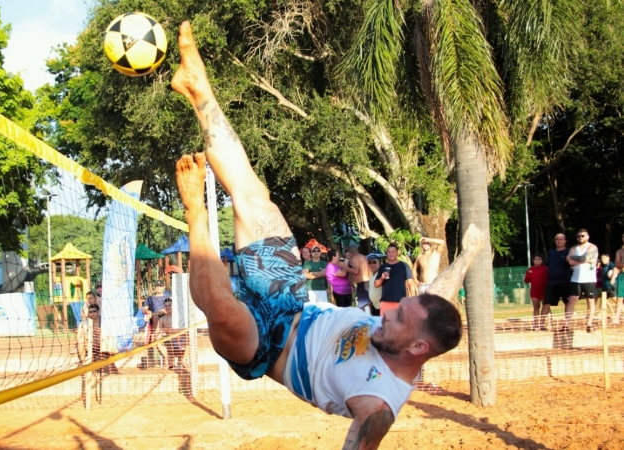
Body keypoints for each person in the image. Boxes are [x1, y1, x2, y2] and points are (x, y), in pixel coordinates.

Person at [170, 21, 484, 447]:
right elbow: (441, 298)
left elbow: (361, 439)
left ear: (417, 349)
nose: (384, 313)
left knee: (223, 312)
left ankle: (195, 213)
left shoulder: (377, 405)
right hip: (291, 299)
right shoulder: (419, 328)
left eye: (396, 318)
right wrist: (467, 255)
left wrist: (196, 209)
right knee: (253, 196)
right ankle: (197, 88)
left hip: (266, 348)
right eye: (394, 309)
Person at [567, 229, 598, 333]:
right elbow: (569, 260)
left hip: (589, 279)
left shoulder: (592, 247)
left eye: (582, 236)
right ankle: (567, 324)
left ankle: (589, 323)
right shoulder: (573, 248)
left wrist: (578, 259)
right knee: (572, 300)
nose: (580, 237)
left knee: (590, 300)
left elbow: (586, 257)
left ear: (587, 236)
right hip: (575, 279)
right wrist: (583, 260)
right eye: (578, 236)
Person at [374, 243, 413, 315]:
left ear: (397, 253)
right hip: (385, 302)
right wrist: (382, 277)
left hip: (400, 302)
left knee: (400, 325)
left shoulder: (404, 266)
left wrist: (412, 300)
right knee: (385, 324)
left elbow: (410, 284)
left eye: (393, 251)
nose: (391, 254)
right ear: (386, 253)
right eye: (389, 252)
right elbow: (376, 284)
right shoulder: (383, 267)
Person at [542, 234, 571, 331]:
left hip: (564, 281)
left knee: (567, 302)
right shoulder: (551, 252)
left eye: (561, 239)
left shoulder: (568, 252)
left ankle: (567, 324)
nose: (559, 241)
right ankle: (541, 324)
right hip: (551, 281)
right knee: (546, 302)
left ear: (565, 241)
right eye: (557, 239)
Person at [140, 280, 171, 368]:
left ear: (164, 287)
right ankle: (155, 361)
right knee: (152, 340)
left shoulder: (168, 297)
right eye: (157, 286)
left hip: (167, 321)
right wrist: (148, 311)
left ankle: (167, 361)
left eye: (160, 286)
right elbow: (144, 309)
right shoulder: (150, 298)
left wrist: (159, 312)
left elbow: (171, 308)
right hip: (154, 322)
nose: (158, 288)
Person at [154, 298, 189, 369]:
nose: (167, 307)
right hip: (169, 340)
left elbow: (186, 330)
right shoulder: (162, 319)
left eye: (169, 305)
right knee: (158, 341)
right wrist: (163, 331)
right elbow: (156, 333)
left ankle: (183, 360)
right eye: (166, 306)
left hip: (181, 339)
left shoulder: (180, 317)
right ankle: (169, 361)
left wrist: (175, 332)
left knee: (191, 339)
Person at [340, 244, 370, 310]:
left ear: (350, 253)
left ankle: (363, 319)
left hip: (363, 284)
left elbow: (355, 271)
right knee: (368, 305)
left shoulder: (355, 258)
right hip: (369, 282)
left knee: (363, 306)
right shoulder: (365, 257)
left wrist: (344, 266)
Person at [524, 253, 548, 330]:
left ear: (542, 260)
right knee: (536, 307)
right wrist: (528, 274)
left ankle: (546, 323)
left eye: (539, 259)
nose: (537, 261)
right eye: (535, 259)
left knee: (546, 306)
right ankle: (536, 324)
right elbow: (526, 281)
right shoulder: (530, 269)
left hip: (544, 291)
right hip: (535, 292)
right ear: (533, 260)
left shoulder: (545, 269)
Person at [597, 253, 616, 323]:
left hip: (610, 285)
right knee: (603, 300)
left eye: (604, 258)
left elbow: (615, 269)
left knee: (616, 300)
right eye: (602, 259)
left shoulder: (610, 264)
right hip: (605, 286)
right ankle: (601, 314)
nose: (603, 260)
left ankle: (618, 312)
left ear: (608, 258)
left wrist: (613, 278)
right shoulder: (604, 267)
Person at [613, 234, 624, 326]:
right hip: (622, 276)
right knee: (620, 298)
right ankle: (617, 317)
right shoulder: (619, 251)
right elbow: (617, 263)